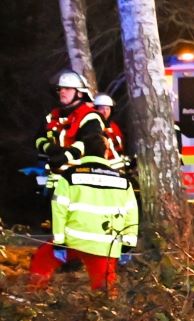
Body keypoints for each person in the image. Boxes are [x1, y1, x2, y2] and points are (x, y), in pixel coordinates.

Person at [29, 71, 136, 292]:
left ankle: (72, 266)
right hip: (56, 178)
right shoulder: (53, 116)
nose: (62, 93)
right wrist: (49, 149)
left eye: (66, 89)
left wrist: (66, 155)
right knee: (56, 223)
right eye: (60, 89)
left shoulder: (89, 116)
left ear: (79, 92)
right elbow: (39, 138)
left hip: (79, 179)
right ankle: (51, 281)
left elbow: (90, 143)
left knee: (76, 224)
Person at [93, 94, 129, 175]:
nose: (105, 111)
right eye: (101, 108)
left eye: (107, 108)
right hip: (102, 168)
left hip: (118, 166)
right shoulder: (92, 127)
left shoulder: (114, 127)